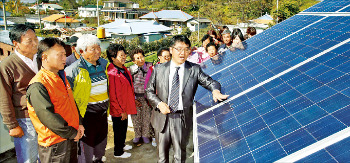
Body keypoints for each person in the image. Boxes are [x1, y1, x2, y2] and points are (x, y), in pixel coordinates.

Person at [145, 35, 229, 162]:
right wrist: (159, 104)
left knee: (179, 156)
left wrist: (215, 90)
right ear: (171, 49)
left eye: (186, 49)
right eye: (178, 49)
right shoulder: (159, 69)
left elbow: (211, 82)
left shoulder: (194, 69)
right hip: (161, 117)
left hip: (181, 118)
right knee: (162, 158)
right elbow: (149, 91)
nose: (182, 53)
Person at [26, 37, 84, 163]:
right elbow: (48, 117)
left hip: (70, 137)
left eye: (65, 54)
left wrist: (79, 122)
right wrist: (72, 133)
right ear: (44, 57)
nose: (64, 58)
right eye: (60, 55)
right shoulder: (38, 85)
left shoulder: (59, 77)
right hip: (55, 145)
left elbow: (71, 103)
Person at [65, 34, 109, 163]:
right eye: (93, 49)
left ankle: (99, 159)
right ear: (82, 51)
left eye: (98, 48)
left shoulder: (104, 64)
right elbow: (69, 97)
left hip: (102, 112)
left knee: (101, 141)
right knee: (86, 145)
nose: (98, 51)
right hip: (86, 114)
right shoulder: (73, 70)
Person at [0, 24, 40, 163]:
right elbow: (4, 97)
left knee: (45, 156)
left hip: (44, 116)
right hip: (25, 119)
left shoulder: (41, 59)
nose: (35, 43)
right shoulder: (7, 65)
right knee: (28, 158)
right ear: (16, 44)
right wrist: (12, 125)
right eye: (29, 41)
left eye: (36, 39)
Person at [106, 44, 137, 159]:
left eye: (124, 55)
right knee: (119, 130)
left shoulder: (123, 69)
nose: (124, 57)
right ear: (113, 58)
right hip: (118, 109)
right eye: (121, 56)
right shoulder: (112, 73)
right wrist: (121, 111)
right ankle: (118, 152)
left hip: (124, 105)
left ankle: (122, 145)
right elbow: (113, 96)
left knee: (123, 128)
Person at [144, 47, 172, 147]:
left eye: (169, 57)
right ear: (159, 57)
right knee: (158, 121)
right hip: (157, 101)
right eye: (165, 57)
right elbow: (147, 87)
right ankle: (156, 138)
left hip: (169, 100)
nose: (167, 59)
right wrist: (156, 101)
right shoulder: (153, 69)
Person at [129, 48, 153, 144]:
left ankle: (145, 135)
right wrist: (134, 98)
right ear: (133, 61)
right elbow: (129, 85)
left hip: (147, 97)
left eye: (142, 57)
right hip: (135, 97)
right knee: (135, 117)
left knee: (147, 117)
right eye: (137, 58)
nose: (141, 59)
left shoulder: (150, 67)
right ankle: (137, 135)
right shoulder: (130, 69)